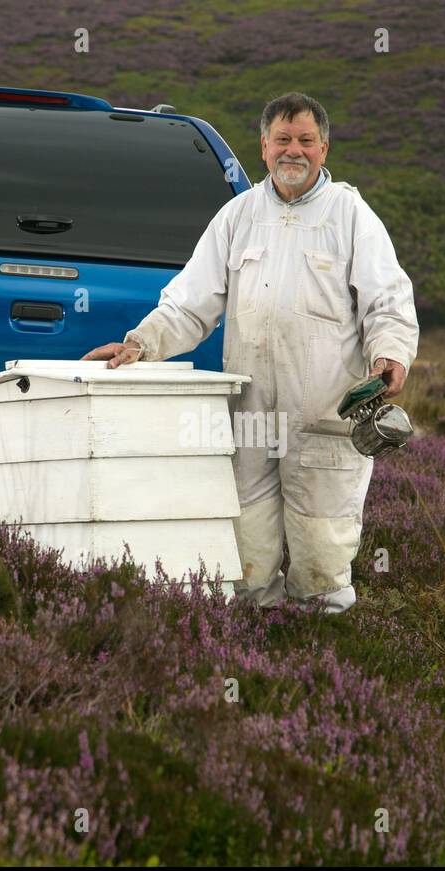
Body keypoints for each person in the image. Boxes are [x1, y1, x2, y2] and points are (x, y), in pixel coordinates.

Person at [82, 92, 418, 613]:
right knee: (248, 548)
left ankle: (323, 655)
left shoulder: (350, 215)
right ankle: (258, 647)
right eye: (282, 140)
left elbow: (388, 300)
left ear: (324, 147)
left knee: (322, 549)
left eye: (305, 140)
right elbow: (190, 303)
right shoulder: (237, 217)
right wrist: (139, 345)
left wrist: (390, 357)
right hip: (253, 416)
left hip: (326, 415)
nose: (294, 151)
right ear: (262, 147)